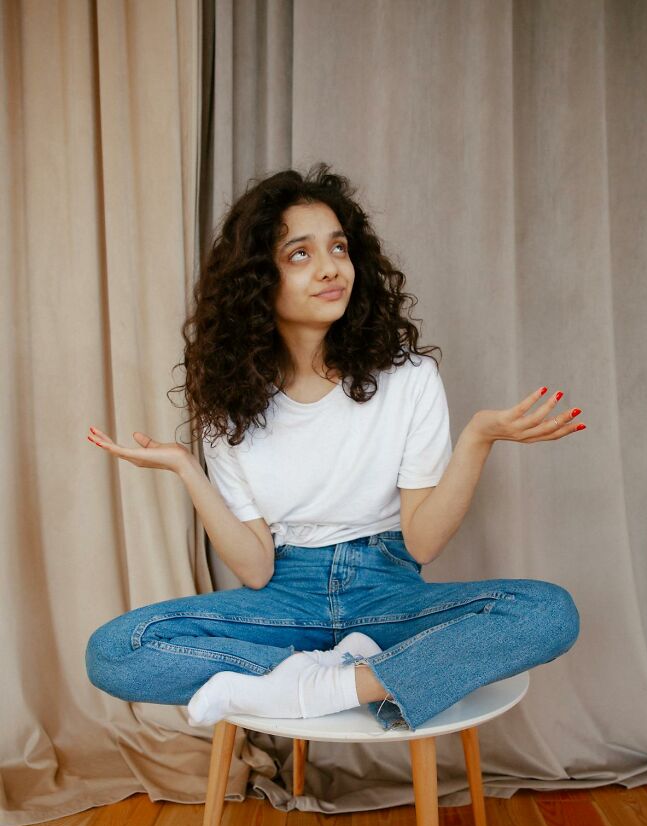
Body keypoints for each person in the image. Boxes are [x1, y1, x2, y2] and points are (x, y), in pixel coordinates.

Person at [85, 162, 583, 732]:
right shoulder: (230, 405)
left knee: (548, 612)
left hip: (388, 589)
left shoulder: (409, 378)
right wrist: (185, 468)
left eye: (338, 248)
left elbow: (421, 544)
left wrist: (479, 439)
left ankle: (329, 684)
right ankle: (345, 676)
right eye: (300, 254)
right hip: (284, 599)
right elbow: (253, 568)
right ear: (257, 281)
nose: (330, 269)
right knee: (115, 650)